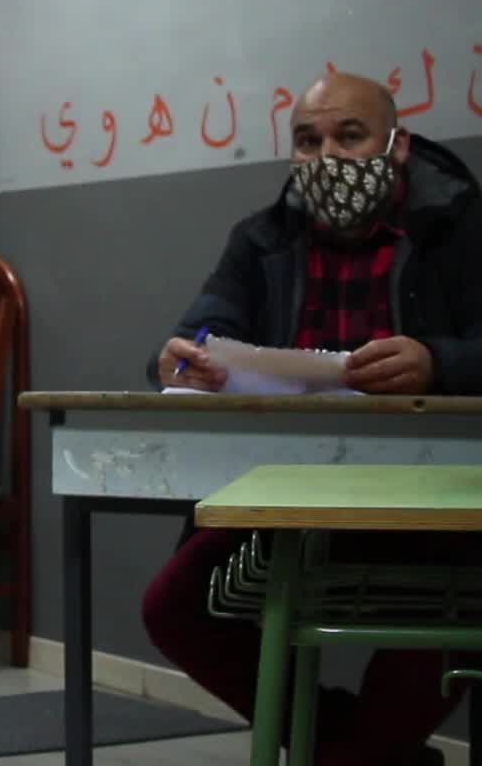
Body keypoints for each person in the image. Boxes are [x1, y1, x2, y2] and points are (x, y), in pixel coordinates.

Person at [143, 71, 482, 766]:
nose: (327, 156)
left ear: (397, 146)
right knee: (174, 608)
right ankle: (357, 754)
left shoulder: (464, 230)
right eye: (307, 140)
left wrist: (438, 362)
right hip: (286, 497)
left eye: (350, 135)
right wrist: (181, 357)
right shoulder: (261, 239)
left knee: (461, 612)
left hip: (435, 501)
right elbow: (202, 330)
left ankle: (352, 753)